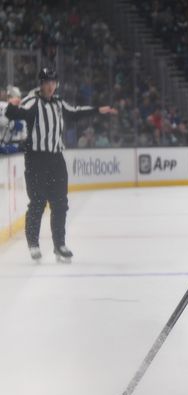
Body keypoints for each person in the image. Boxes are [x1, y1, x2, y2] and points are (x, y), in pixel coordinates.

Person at [4, 68, 117, 263]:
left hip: (56, 159)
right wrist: (11, 105)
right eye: (47, 82)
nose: (50, 85)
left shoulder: (58, 103)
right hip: (36, 159)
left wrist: (97, 110)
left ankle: (59, 245)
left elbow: (74, 113)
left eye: (53, 82)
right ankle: (34, 244)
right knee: (38, 202)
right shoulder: (32, 101)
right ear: (41, 83)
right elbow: (14, 113)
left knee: (60, 203)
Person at [0, 86, 26, 153]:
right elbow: (2, 122)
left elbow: (24, 137)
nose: (11, 99)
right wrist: (12, 123)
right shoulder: (3, 108)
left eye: (16, 97)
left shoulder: (23, 112)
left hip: (16, 150)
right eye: (9, 97)